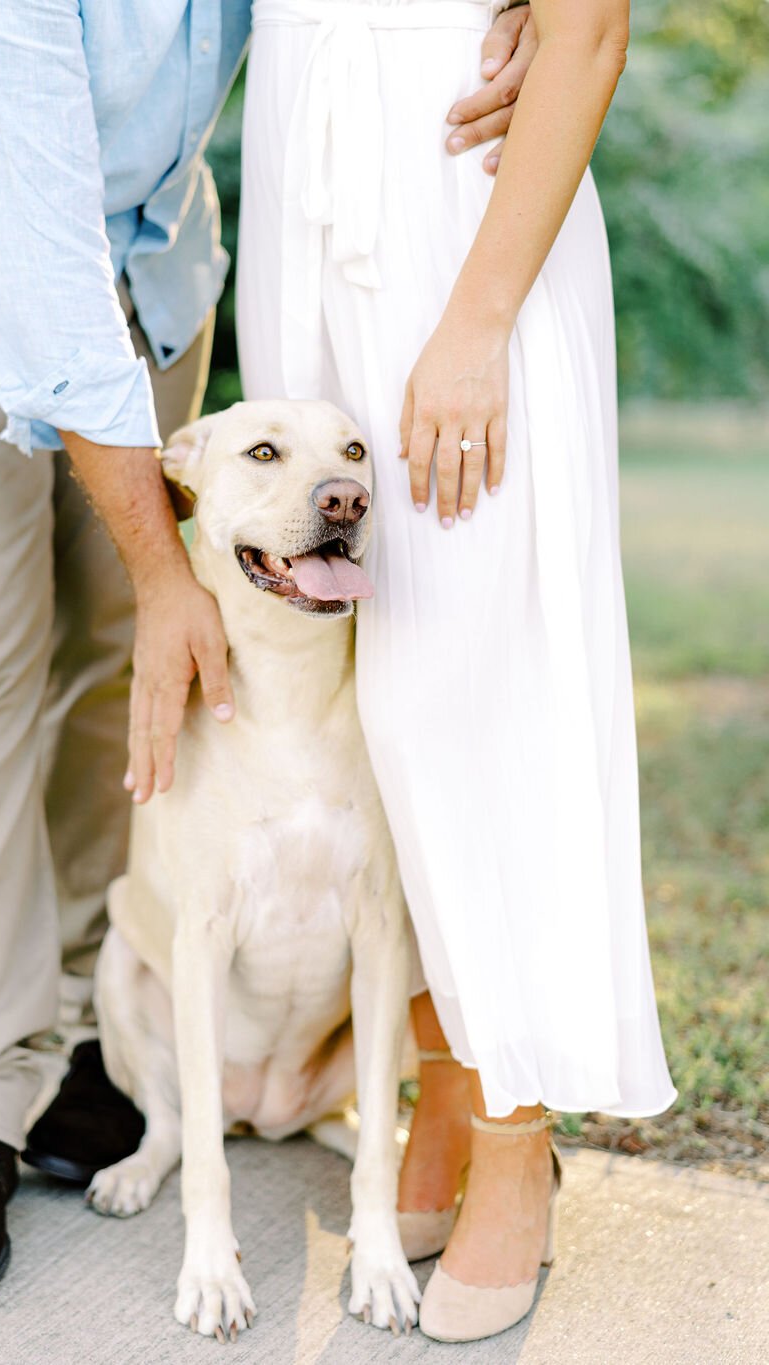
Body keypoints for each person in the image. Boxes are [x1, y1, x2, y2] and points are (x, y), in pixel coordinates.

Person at [0, 0, 540, 1303]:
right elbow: (25, 237)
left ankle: (84, 1028)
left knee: (127, 653)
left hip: (141, 221)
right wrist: (159, 556)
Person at [235, 0, 676, 1343]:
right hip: (298, 163)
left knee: (473, 690)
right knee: (355, 673)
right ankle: (435, 1072)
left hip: (457, 205)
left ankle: (514, 1131)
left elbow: (587, 28)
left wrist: (479, 323)